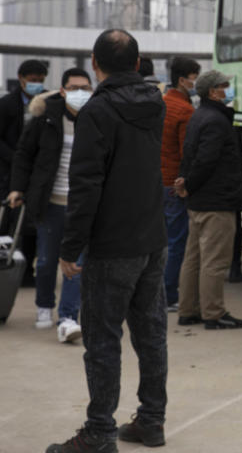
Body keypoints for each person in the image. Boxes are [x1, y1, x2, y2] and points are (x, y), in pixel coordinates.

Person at [47, 29, 168, 452]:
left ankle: (99, 433)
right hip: (153, 236)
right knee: (151, 334)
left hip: (112, 243)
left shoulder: (97, 112)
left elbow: (86, 185)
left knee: (102, 340)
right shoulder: (155, 102)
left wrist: (69, 246)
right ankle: (151, 421)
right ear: (137, 65)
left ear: (95, 64)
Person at [7, 68, 92, 343]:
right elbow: (24, 154)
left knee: (75, 263)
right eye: (75, 87)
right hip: (51, 202)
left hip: (82, 205)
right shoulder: (46, 119)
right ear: (63, 90)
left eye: (86, 88)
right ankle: (44, 306)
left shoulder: (97, 120)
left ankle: (68, 318)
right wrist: (18, 187)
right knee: (45, 261)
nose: (81, 93)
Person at [173, 70, 242, 330]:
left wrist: (186, 182)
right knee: (215, 261)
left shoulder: (199, 115)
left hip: (198, 201)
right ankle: (213, 313)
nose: (229, 88)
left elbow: (189, 155)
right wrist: (190, 182)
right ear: (213, 91)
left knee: (193, 258)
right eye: (224, 85)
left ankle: (188, 309)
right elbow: (207, 159)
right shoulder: (216, 120)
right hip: (217, 200)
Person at [0, 59, 48, 286]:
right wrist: (16, 159)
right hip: (9, 173)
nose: (36, 85)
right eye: (32, 80)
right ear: (21, 79)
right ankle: (6, 264)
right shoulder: (7, 105)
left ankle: (27, 269)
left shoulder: (48, 102)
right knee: (8, 220)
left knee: (31, 225)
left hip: (38, 173)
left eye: (40, 81)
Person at [160, 56, 201, 313]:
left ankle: (156, 291)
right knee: (177, 242)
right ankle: (168, 294)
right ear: (182, 79)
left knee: (161, 242)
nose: (196, 82)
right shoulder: (185, 111)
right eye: (194, 77)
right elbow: (188, 153)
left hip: (156, 181)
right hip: (175, 183)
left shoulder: (161, 104)